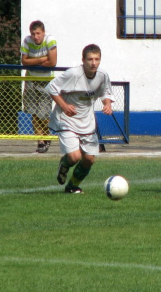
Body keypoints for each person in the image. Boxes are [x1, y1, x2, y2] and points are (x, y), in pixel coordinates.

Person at [46, 44, 114, 194]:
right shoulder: (73, 74)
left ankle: (72, 186)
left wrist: (107, 104)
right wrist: (64, 106)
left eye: (96, 59)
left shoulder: (103, 75)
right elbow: (51, 87)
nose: (93, 63)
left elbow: (106, 92)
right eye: (90, 59)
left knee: (89, 159)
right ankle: (64, 165)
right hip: (67, 119)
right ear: (83, 60)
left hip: (87, 121)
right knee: (74, 156)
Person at [21, 20, 58, 153]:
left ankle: (46, 135)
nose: (36, 37)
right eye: (33, 34)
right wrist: (42, 59)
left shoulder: (50, 40)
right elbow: (24, 61)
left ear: (43, 32)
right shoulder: (27, 41)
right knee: (33, 112)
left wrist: (33, 62)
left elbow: (53, 62)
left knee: (43, 113)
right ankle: (40, 141)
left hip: (45, 81)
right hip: (31, 79)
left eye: (38, 33)